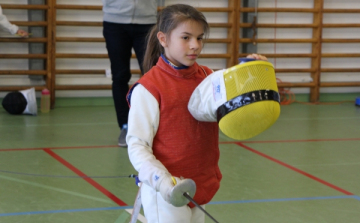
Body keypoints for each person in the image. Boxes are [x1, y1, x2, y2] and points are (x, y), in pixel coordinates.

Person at [126, 4, 267, 223]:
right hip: (166, 192)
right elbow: (137, 145)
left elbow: (233, 103)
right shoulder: (148, 88)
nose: (195, 46)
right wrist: (161, 180)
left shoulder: (208, 77)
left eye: (200, 38)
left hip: (199, 185)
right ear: (163, 39)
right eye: (186, 38)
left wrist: (253, 71)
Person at [102, 0, 157, 147]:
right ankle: (125, 126)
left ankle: (154, 125)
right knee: (120, 76)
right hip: (115, 21)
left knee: (153, 75)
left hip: (147, 21)